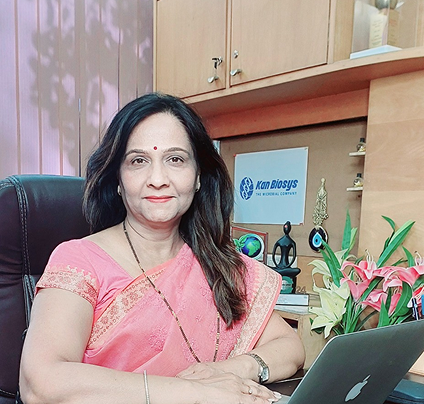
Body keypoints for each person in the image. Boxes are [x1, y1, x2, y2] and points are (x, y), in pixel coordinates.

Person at [19, 92, 305, 404]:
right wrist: (195, 393)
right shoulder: (79, 261)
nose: (158, 179)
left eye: (176, 159)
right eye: (138, 161)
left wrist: (233, 370)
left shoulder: (219, 263)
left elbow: (290, 346)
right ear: (118, 180)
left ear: (198, 176)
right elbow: (41, 383)